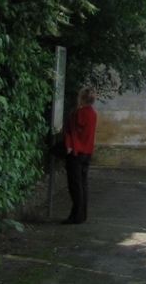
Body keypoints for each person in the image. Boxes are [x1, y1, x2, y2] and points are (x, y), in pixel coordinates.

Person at [61, 87, 97, 225]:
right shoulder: (93, 113)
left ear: (82, 98)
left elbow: (69, 129)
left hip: (76, 151)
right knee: (83, 184)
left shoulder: (78, 113)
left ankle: (76, 215)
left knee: (75, 186)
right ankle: (82, 214)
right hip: (87, 151)